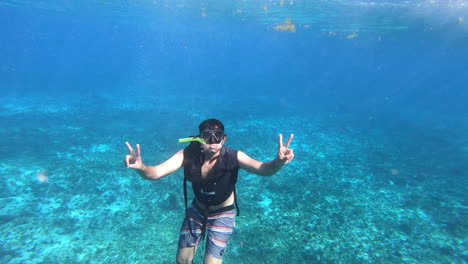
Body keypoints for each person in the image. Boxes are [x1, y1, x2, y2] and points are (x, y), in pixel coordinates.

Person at [124, 119, 294, 264]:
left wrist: (278, 162)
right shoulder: (187, 154)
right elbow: (155, 173)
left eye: (218, 136)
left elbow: (264, 169)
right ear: (199, 139)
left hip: (223, 213)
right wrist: (140, 167)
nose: (213, 141)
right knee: (182, 260)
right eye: (207, 136)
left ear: (224, 139)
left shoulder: (234, 156)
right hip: (197, 210)